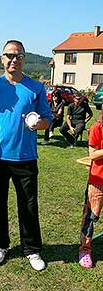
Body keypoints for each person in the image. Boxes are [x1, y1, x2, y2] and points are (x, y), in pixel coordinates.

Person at [0, 40, 52, 271]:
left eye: (19, 56)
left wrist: (38, 123)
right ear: (2, 59)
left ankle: (32, 249)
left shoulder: (36, 88)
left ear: (24, 59)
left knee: (28, 204)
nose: (14, 60)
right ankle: (0, 245)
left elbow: (47, 119)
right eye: (9, 55)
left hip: (25, 157)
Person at [78, 105, 103, 268]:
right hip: (98, 181)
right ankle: (85, 250)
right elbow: (93, 154)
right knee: (91, 217)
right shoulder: (96, 128)